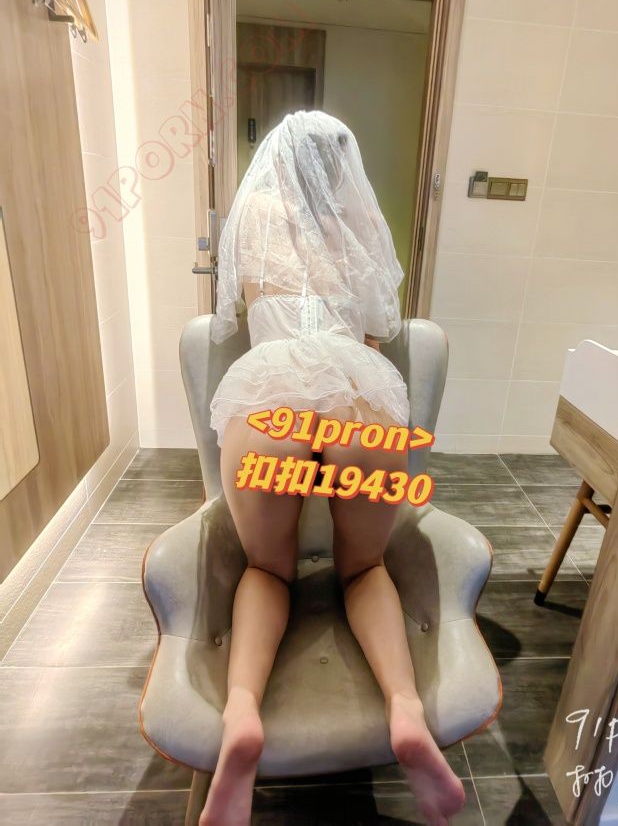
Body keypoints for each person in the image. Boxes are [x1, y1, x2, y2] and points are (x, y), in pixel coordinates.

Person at [200, 111, 465, 826]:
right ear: (345, 166)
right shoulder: (362, 220)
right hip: (357, 399)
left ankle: (243, 714)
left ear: (275, 159)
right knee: (364, 569)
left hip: (269, 401)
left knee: (266, 571)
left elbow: (237, 312)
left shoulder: (252, 216)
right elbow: (379, 331)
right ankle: (405, 709)